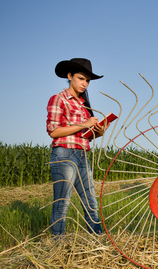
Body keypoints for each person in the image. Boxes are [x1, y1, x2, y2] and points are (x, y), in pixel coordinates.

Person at [46, 58, 106, 236]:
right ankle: (58, 245)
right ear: (69, 76)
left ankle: (98, 238)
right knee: (62, 202)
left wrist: (99, 131)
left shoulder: (83, 105)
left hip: (82, 155)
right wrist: (84, 124)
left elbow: (86, 136)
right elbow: (53, 131)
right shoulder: (59, 99)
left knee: (90, 202)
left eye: (87, 80)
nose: (84, 83)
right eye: (81, 78)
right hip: (64, 154)